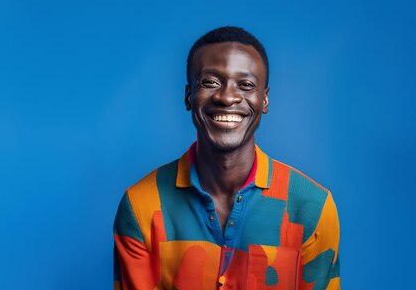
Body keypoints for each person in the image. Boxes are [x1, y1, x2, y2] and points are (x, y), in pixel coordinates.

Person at [113, 26, 340, 290]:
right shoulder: (140, 206)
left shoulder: (312, 207)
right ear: (189, 96)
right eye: (210, 82)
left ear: (264, 100)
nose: (227, 97)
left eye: (245, 85)